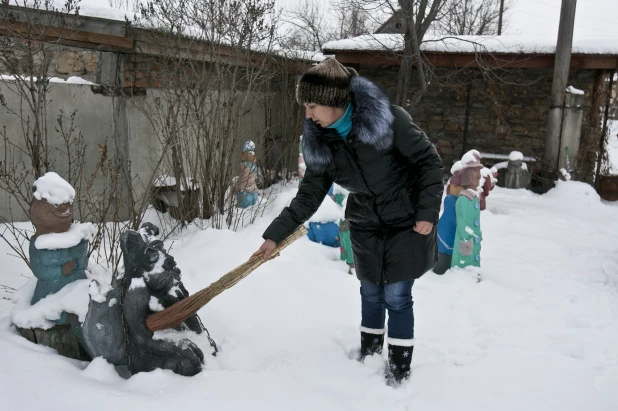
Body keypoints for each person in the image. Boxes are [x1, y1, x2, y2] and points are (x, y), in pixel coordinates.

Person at [252, 58, 444, 385]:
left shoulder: (388, 120)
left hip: (408, 220)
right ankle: (369, 356)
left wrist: (427, 212)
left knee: (397, 296)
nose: (308, 114)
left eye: (312, 105)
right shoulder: (320, 141)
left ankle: (399, 369)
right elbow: (309, 195)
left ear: (335, 101)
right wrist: (274, 237)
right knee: (370, 292)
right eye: (306, 106)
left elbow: (430, 163)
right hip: (365, 222)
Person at [451, 153, 483, 269]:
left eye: (479, 171)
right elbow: (462, 225)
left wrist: (478, 235)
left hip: (473, 241)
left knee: (473, 263)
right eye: (475, 171)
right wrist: (468, 238)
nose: (479, 175)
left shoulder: (474, 198)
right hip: (465, 244)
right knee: (464, 263)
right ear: (467, 175)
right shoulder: (463, 199)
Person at [433, 169, 463, 275]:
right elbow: (456, 221)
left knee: (441, 255)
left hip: (443, 234)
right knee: (443, 260)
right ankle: (439, 274)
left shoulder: (450, 200)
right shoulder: (454, 202)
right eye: (460, 187)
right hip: (447, 238)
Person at [237, 141, 259, 208]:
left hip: (249, 191)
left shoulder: (248, 165)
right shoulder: (247, 166)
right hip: (247, 191)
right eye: (249, 153)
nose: (252, 154)